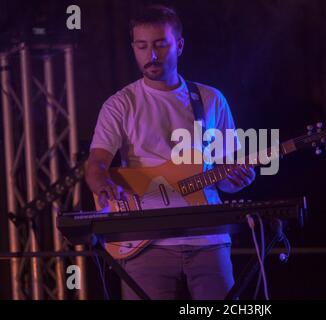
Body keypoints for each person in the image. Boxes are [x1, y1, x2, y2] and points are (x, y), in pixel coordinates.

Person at [85, 5, 255, 300]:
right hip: (144, 243)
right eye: (142, 46)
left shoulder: (210, 99)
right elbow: (96, 164)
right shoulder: (120, 104)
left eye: (160, 45)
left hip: (208, 239)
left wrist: (237, 178)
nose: (151, 55)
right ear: (134, 48)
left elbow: (226, 177)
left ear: (179, 44)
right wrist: (104, 186)